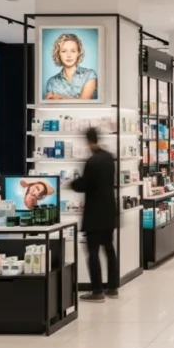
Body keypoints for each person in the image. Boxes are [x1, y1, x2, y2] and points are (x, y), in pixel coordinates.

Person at [70, 128, 119, 302]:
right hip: (109, 210)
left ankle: (97, 291)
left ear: (88, 141)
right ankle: (113, 288)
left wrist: (71, 184)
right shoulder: (109, 158)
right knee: (109, 250)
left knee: (93, 252)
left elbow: (85, 184)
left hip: (94, 214)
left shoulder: (92, 162)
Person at [44, 33, 98, 101]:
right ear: (58, 54)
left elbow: (84, 103)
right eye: (64, 51)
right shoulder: (52, 82)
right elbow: (52, 105)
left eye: (73, 51)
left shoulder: (89, 75)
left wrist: (60, 99)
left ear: (78, 53)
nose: (69, 55)